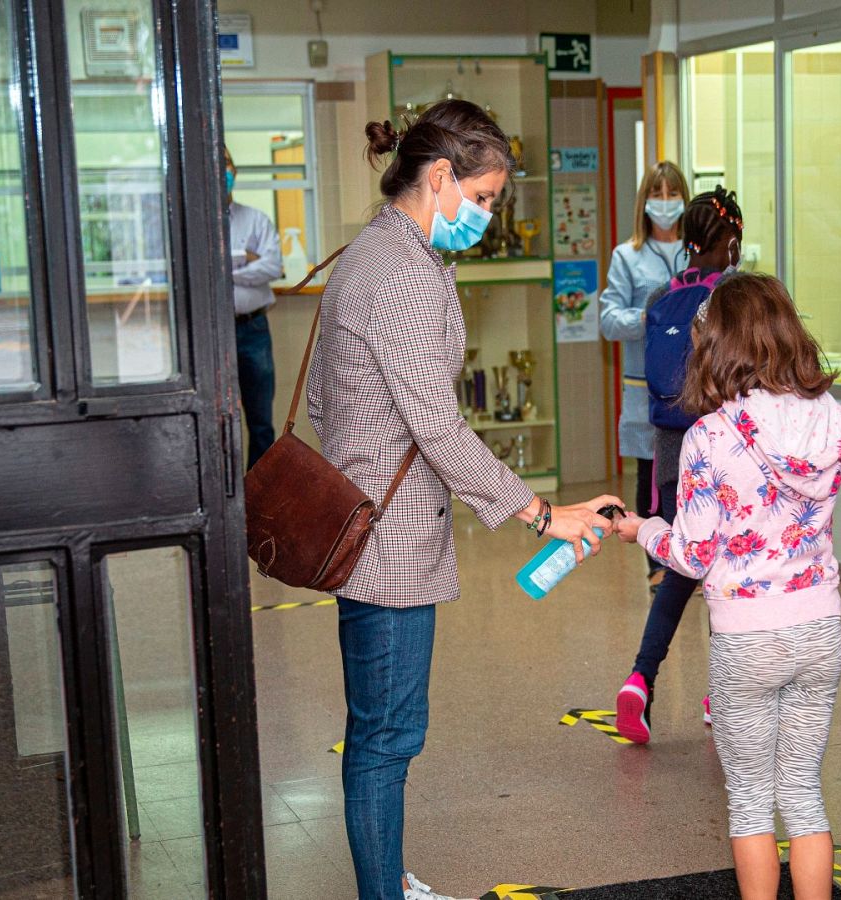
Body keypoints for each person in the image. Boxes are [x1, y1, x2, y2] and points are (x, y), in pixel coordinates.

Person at [307, 99, 621, 900]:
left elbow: (319, 400)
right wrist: (543, 514)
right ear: (440, 176)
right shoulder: (404, 274)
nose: (485, 215)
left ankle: (387, 879)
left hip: (363, 518)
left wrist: (359, 454)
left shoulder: (373, 251)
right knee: (385, 738)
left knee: (381, 730)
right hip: (387, 541)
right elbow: (439, 428)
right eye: (481, 197)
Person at [615, 272, 841, 900]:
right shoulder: (838, 422)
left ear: (717, 346)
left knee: (750, 801)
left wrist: (643, 530)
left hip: (747, 639)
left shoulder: (708, 438)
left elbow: (692, 555)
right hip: (817, 633)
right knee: (803, 794)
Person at [612, 187, 743, 744]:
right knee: (729, 574)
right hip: (727, 454)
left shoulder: (662, 294)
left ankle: (640, 680)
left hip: (672, 454)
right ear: (731, 242)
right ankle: (722, 694)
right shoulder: (736, 295)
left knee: (682, 570)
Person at [599, 162, 689, 588]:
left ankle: (690, 559)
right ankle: (657, 565)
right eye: (658, 194)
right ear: (644, 202)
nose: (665, 203)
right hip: (646, 389)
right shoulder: (627, 256)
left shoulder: (696, 253)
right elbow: (609, 320)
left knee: (694, 475)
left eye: (673, 194)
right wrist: (651, 317)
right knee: (653, 475)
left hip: (695, 388)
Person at [226, 146, 285, 469]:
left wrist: (227, 270)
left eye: (227, 164)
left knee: (261, 421)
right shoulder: (196, 224)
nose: (223, 171)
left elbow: (272, 267)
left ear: (234, 170)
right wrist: (246, 260)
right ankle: (228, 493)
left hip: (253, 329)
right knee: (222, 420)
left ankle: (258, 492)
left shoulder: (256, 220)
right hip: (215, 333)